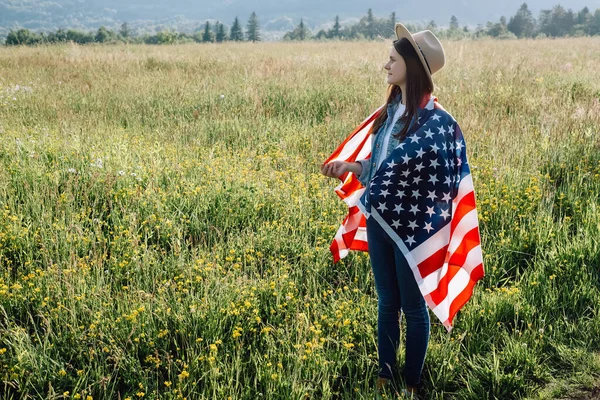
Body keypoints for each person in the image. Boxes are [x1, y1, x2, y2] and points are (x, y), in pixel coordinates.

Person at [321, 24, 450, 398]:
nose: (385, 65)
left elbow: (437, 183)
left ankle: (411, 383)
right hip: (378, 219)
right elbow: (380, 165)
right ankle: (385, 374)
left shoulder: (434, 122)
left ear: (412, 64)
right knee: (387, 302)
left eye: (392, 59)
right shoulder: (390, 110)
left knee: (412, 306)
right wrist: (351, 168)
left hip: (409, 228)